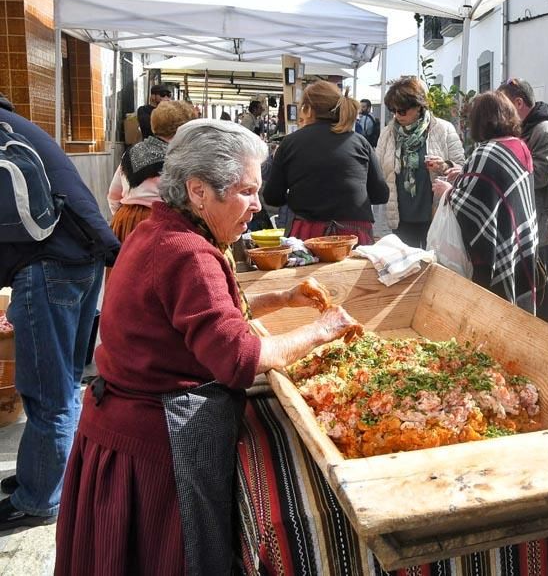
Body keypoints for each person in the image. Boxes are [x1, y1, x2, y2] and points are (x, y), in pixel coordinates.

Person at [54, 120, 357, 574]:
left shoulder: (157, 231)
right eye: (246, 191)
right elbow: (238, 359)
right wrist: (323, 329)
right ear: (198, 191)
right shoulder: (187, 252)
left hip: (120, 429)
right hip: (156, 449)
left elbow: (196, 315)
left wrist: (282, 298)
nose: (258, 206)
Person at [0, 94, 120, 531]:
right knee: (65, 383)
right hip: (78, 259)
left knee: (48, 392)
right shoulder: (16, 125)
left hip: (50, 268)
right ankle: (45, 475)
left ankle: (39, 499)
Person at [431, 91, 538, 312]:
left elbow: (470, 205)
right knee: (520, 308)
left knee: (493, 310)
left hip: (495, 249)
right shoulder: (519, 147)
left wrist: (448, 192)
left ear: (479, 121)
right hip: (520, 242)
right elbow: (491, 190)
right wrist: (464, 174)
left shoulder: (486, 151)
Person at [262, 81, 389, 244]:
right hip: (355, 236)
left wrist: (299, 195)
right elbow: (381, 194)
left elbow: (272, 196)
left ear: (307, 109)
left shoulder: (290, 142)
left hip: (309, 235)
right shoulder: (360, 142)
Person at [498, 78, 548, 325]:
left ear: (518, 102)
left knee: (543, 278)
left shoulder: (544, 130)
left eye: (505, 106)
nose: (502, 112)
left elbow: (542, 175)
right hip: (529, 216)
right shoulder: (528, 127)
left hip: (542, 219)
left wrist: (505, 169)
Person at [375, 76, 465, 248]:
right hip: (400, 217)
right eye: (393, 110)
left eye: (402, 111)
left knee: (433, 266)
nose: (397, 115)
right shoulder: (388, 134)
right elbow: (379, 170)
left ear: (418, 107)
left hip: (435, 214)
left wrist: (445, 166)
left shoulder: (443, 129)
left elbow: (461, 166)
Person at [107, 100, 198, 241]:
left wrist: (122, 218)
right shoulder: (181, 159)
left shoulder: (131, 153)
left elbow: (114, 195)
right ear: (184, 129)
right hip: (164, 226)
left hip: (126, 222)